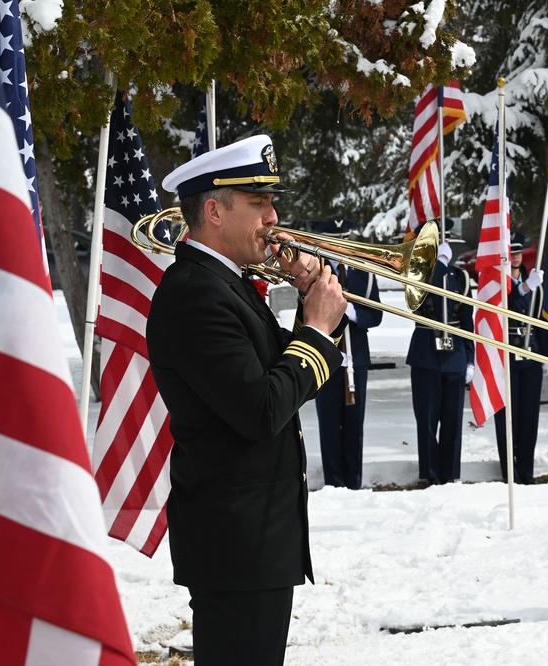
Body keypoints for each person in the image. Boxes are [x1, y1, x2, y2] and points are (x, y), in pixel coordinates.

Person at [146, 135, 347, 665]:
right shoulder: (196, 294)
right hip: (235, 545)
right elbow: (262, 409)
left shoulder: (225, 286)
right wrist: (317, 332)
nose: (273, 218)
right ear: (213, 210)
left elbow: (294, 370)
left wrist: (315, 309)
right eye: (259, 204)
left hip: (253, 542)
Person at [313, 217, 383, 489]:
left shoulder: (363, 272)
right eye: (335, 241)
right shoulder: (316, 271)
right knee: (329, 423)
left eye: (345, 240)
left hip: (357, 359)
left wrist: (353, 312)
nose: (340, 247)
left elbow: (375, 315)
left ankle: (354, 481)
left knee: (354, 424)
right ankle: (334, 482)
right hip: (326, 357)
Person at [405, 218, 474, 484]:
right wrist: (439, 264)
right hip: (426, 354)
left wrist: (471, 359)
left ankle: (450, 474)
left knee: (453, 421)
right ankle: (429, 474)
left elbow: (467, 322)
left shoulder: (462, 277)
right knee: (427, 420)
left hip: (455, 355)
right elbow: (419, 302)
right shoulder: (417, 272)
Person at [494, 232, 548, 484]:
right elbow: (500, 306)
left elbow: (541, 322)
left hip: (531, 354)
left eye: (518, 251)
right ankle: (510, 472)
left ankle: (526, 470)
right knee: (508, 417)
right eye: (511, 251)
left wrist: (545, 356)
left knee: (529, 416)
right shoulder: (495, 282)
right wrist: (525, 288)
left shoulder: (534, 282)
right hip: (505, 352)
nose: (515, 256)